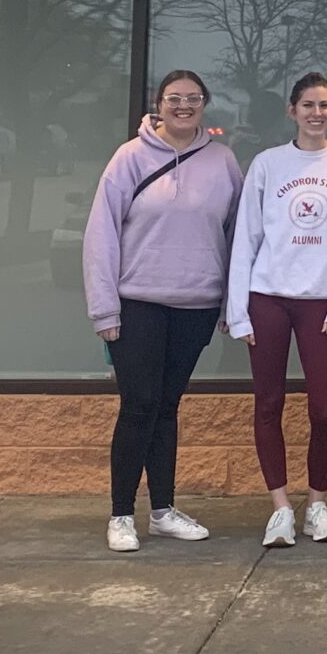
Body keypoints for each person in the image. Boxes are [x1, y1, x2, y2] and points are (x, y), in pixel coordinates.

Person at [83, 70, 244, 553]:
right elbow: (101, 234)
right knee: (139, 406)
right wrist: (103, 308)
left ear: (204, 105)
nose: (183, 106)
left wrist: (230, 302)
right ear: (159, 104)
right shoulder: (129, 158)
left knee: (168, 407)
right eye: (174, 99)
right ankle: (120, 514)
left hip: (196, 305)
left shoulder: (223, 161)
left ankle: (162, 511)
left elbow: (238, 235)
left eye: (193, 99)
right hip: (138, 305)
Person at [226, 70, 327, 551]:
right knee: (268, 404)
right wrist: (239, 311)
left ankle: (317, 504)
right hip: (267, 299)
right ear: (292, 111)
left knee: (324, 411)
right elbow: (245, 238)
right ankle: (281, 510)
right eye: (307, 105)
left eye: (324, 105)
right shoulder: (267, 164)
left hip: (322, 305)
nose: (316, 113)